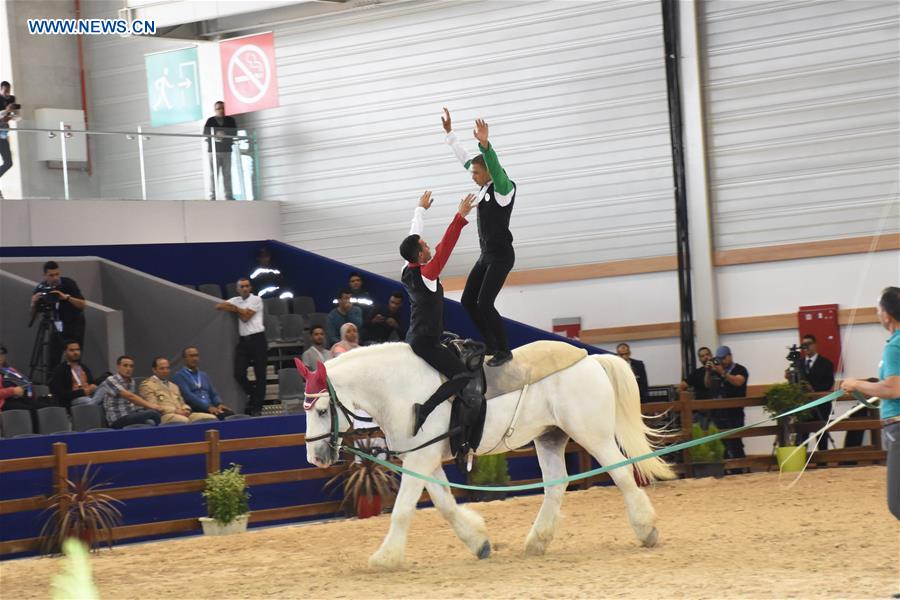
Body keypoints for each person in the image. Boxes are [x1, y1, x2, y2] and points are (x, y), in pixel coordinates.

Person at [399, 190, 482, 451]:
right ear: (421, 256)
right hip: (426, 342)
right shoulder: (427, 273)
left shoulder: (406, 268)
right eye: (425, 246)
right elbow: (446, 247)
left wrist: (420, 210)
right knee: (461, 376)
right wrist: (460, 216)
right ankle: (425, 409)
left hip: (415, 335)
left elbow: (413, 235)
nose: (429, 246)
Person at [442, 109, 516, 367]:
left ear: (487, 172)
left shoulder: (504, 189)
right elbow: (465, 160)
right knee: (467, 301)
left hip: (501, 256)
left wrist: (485, 145)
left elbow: (494, 167)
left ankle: (504, 350)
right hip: (486, 256)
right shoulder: (484, 186)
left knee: (485, 302)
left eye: (475, 172)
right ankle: (491, 345)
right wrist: (450, 134)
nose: (471, 175)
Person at [841, 287, 900, 520]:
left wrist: (856, 384)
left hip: (897, 426)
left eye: (879, 309)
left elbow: (892, 389)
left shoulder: (894, 346)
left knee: (897, 503)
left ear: (887, 315)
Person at [216, 278, 267, 416]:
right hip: (244, 340)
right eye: (242, 286)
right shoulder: (236, 300)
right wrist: (238, 308)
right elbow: (219, 306)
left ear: (250, 288)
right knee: (238, 373)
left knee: (260, 374)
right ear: (238, 289)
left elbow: (245, 317)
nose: (245, 288)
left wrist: (235, 309)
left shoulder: (256, 299)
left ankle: (257, 407)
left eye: (247, 286)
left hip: (258, 338)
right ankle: (253, 394)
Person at [30, 261, 87, 368]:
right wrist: (33, 303)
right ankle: (51, 381)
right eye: (51, 275)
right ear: (45, 275)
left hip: (74, 324)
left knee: (75, 357)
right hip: (56, 325)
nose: (55, 278)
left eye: (57, 274)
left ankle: (76, 381)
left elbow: (82, 304)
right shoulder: (41, 288)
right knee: (53, 358)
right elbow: (33, 317)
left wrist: (66, 297)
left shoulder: (69, 283)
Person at [791, 334, 836, 450]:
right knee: (802, 436)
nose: (806, 347)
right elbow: (794, 386)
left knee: (821, 436)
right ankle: (801, 462)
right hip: (804, 406)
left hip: (821, 405)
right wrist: (789, 379)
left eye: (809, 344)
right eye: (804, 345)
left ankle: (823, 464)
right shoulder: (798, 364)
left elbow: (828, 384)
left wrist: (813, 389)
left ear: (815, 345)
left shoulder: (826, 363)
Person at [139, 357, 217, 424]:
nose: (166, 371)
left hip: (182, 413)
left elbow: (182, 402)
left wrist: (186, 409)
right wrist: (175, 411)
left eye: (167, 368)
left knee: (211, 418)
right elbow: (154, 406)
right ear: (154, 370)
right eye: (162, 368)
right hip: (164, 416)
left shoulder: (174, 386)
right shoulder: (147, 385)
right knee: (183, 421)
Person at [705, 345, 749, 461]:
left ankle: (740, 469)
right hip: (718, 413)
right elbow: (707, 385)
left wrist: (723, 373)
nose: (721, 361)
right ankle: (725, 470)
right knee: (720, 443)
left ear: (730, 356)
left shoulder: (740, 369)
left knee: (736, 442)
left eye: (723, 358)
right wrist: (708, 372)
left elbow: (738, 382)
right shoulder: (716, 371)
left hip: (735, 412)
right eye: (719, 359)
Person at [171, 346, 234, 420]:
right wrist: (208, 407)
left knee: (231, 415)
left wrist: (219, 404)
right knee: (221, 417)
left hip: (211, 407)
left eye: (196, 355)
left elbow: (213, 393)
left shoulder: (203, 375)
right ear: (184, 359)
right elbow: (188, 396)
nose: (195, 359)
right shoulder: (179, 376)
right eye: (191, 356)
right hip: (196, 409)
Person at [99, 355, 162, 429]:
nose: (128, 369)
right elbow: (130, 397)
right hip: (117, 419)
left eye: (131, 366)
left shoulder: (131, 382)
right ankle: (163, 437)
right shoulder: (111, 380)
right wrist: (150, 405)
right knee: (153, 413)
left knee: (150, 422)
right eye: (125, 366)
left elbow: (131, 403)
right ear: (118, 367)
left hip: (130, 415)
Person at [203, 100, 237, 200]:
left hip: (226, 150)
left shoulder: (230, 120)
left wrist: (224, 135)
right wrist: (216, 136)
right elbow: (205, 133)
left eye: (222, 108)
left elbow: (234, 132)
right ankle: (212, 195)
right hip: (213, 151)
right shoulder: (210, 121)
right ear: (215, 110)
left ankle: (228, 195)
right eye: (218, 109)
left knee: (227, 174)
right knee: (213, 174)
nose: (221, 110)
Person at [48, 341, 97, 409]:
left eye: (77, 350)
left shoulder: (84, 367)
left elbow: (91, 383)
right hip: (74, 399)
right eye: (72, 350)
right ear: (65, 352)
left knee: (106, 386)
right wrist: (82, 392)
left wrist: (93, 386)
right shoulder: (60, 370)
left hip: (90, 395)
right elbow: (60, 394)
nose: (76, 353)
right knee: (90, 401)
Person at [0, 80, 18, 197]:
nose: (7, 94)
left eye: (9, 91)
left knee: (8, 162)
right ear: (1, 89)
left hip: (3, 134)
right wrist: (6, 111)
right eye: (5, 91)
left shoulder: (11, 99)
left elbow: (15, 117)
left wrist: (11, 113)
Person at [0, 345, 30, 412]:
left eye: (2, 354)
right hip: (3, 403)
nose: (1, 356)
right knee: (30, 411)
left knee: (45, 408)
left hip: (20, 398)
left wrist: (24, 391)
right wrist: (13, 391)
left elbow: (25, 383)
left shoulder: (10, 370)